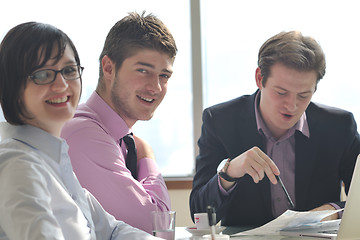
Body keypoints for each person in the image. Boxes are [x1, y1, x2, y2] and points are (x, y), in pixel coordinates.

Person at [0, 21, 160, 239]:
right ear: (11, 85)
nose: (62, 85)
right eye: (43, 74)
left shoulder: (54, 160)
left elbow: (112, 230)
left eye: (68, 70)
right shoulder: (18, 165)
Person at [190, 30, 360, 227]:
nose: (292, 105)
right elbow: (199, 215)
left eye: (304, 95)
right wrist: (230, 172)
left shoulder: (339, 126)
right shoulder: (220, 121)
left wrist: (333, 211)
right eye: (281, 92)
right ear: (259, 78)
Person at [61, 12, 177, 233]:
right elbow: (155, 226)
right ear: (109, 68)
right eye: (143, 70)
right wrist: (147, 155)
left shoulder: (119, 138)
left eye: (164, 75)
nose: (156, 87)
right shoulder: (83, 134)